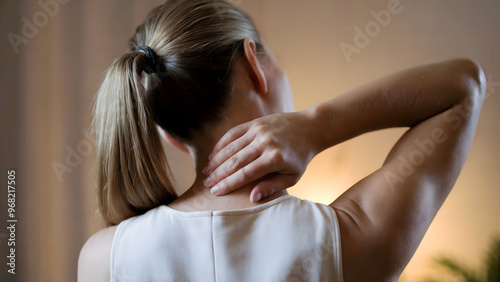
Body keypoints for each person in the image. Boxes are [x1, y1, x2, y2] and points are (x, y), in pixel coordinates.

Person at [77, 0, 487, 281]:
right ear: (254, 62)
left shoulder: (103, 260)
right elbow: (464, 87)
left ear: (169, 134)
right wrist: (316, 125)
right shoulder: (347, 239)